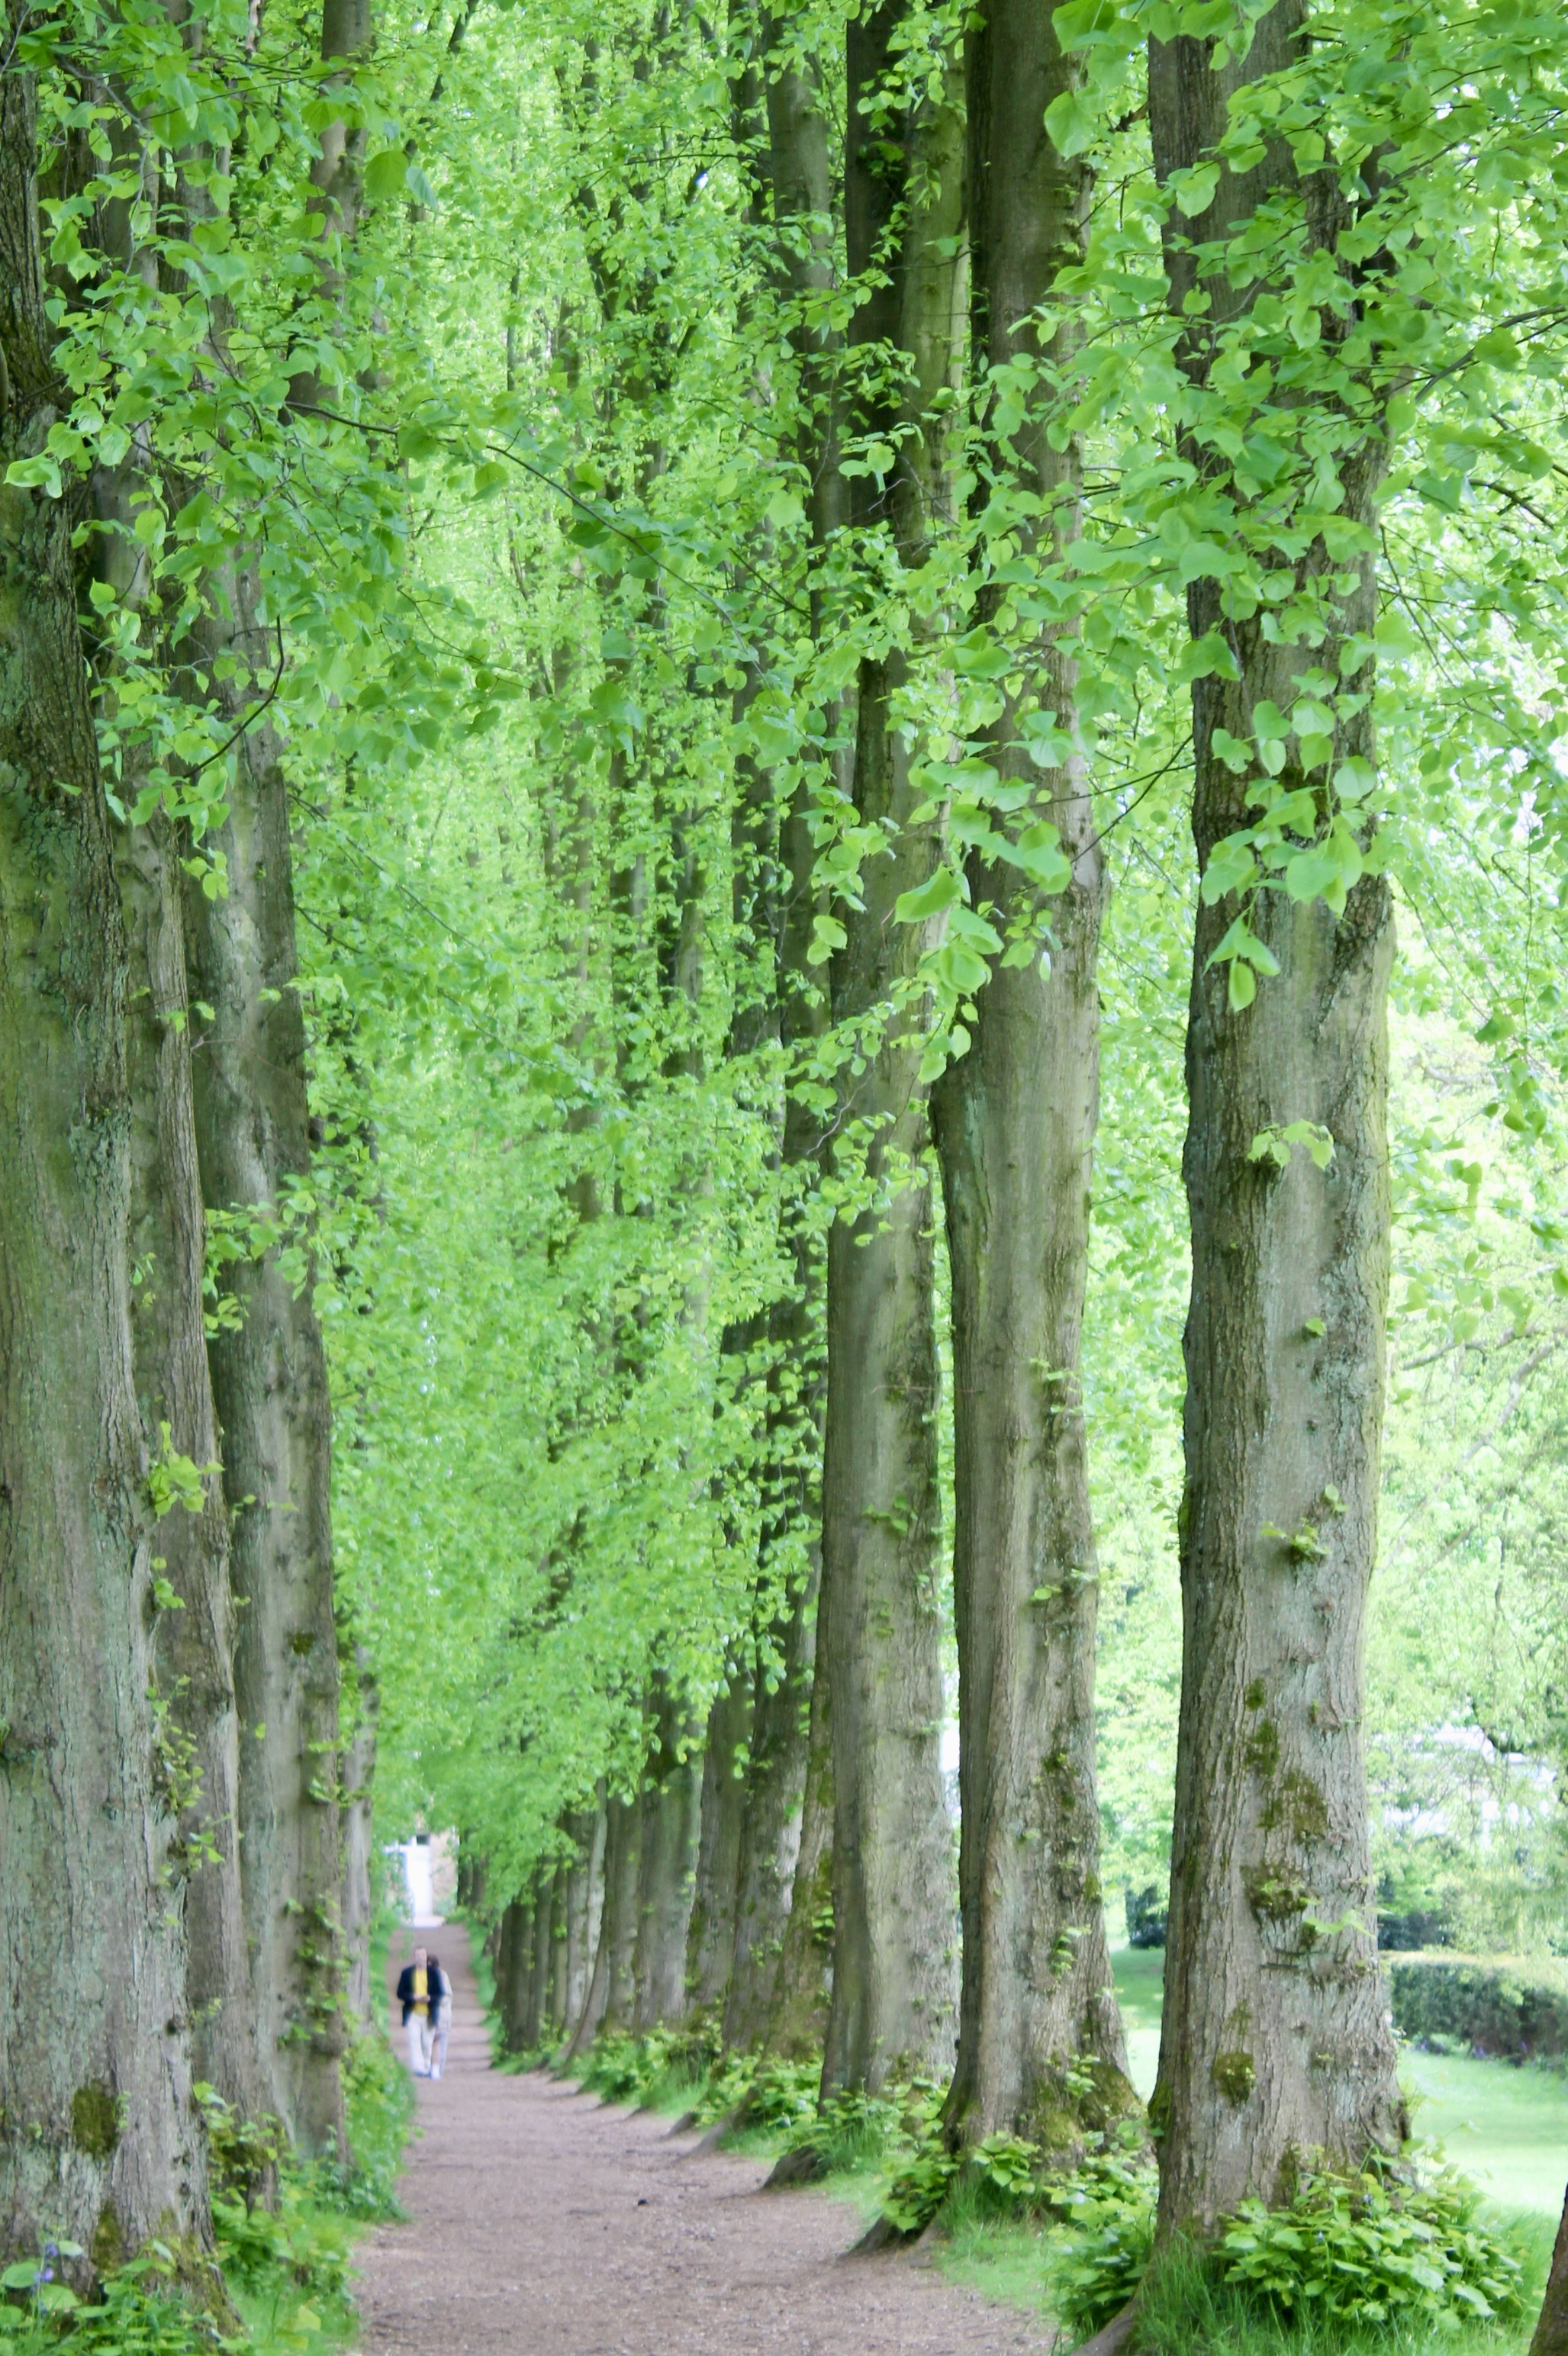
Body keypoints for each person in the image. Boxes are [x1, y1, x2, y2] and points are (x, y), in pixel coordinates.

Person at [396, 1946, 435, 2075]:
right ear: (415, 1957)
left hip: (429, 2014)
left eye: (423, 1955)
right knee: (414, 2041)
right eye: (418, 1956)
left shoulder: (434, 1974)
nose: (420, 1958)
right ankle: (418, 2068)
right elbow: (400, 1993)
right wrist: (413, 1997)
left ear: (426, 1957)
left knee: (427, 2043)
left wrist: (430, 1998)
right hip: (412, 2013)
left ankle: (427, 2065)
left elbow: (440, 1993)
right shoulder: (407, 1973)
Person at [427, 1954, 452, 2081]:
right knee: (437, 2042)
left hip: (440, 2015)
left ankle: (436, 2069)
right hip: (441, 2015)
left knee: (437, 2041)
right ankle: (436, 2069)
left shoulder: (439, 1977)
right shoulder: (442, 1976)